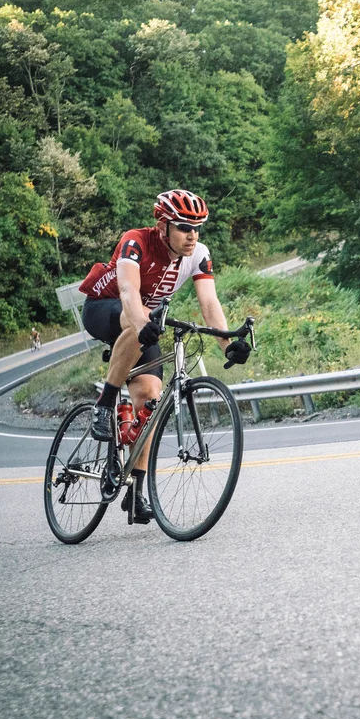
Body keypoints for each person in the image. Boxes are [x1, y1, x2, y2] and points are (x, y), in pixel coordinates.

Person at [78, 189, 251, 523]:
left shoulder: (198, 254)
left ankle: (135, 494)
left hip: (145, 319)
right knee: (140, 319)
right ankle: (105, 403)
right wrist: (142, 323)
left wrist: (226, 344)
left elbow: (209, 303)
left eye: (197, 228)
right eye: (184, 227)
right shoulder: (135, 241)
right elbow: (128, 291)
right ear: (163, 226)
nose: (192, 235)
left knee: (150, 398)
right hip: (105, 308)